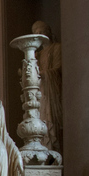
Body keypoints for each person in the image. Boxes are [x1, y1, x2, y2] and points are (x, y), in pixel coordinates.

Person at [32, 21, 63, 152]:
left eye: (41, 32)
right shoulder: (37, 55)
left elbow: (58, 69)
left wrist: (43, 74)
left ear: (48, 32)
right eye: (36, 33)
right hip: (41, 92)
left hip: (51, 92)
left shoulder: (57, 48)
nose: (39, 35)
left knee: (51, 123)